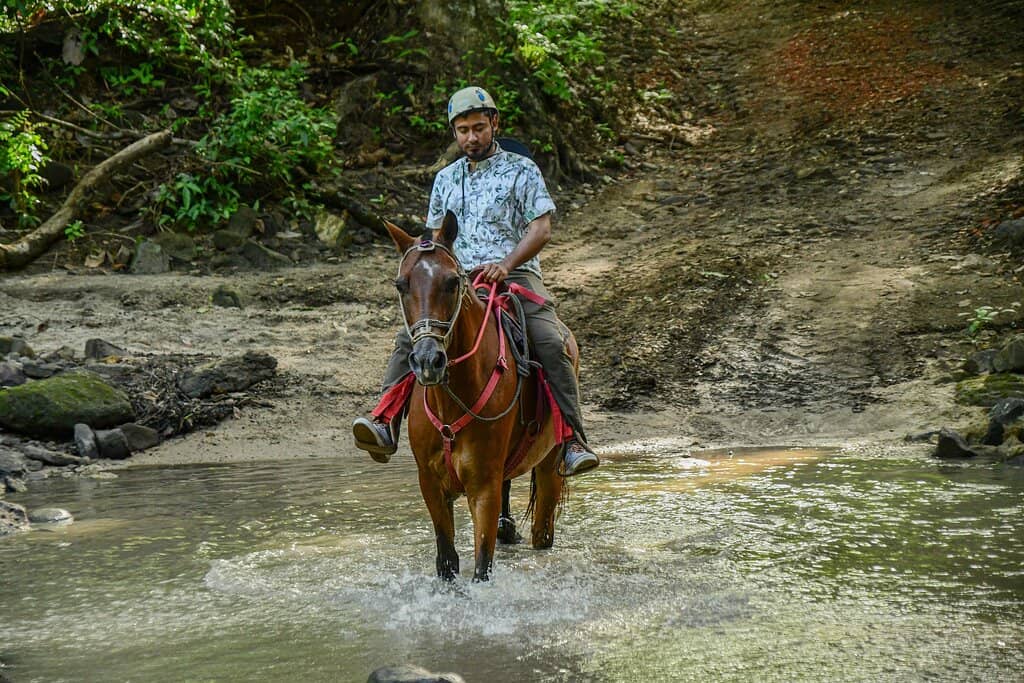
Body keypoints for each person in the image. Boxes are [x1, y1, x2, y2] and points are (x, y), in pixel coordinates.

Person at [352, 86, 599, 477]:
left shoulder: (522, 170)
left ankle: (571, 439)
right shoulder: (445, 179)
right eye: (463, 130)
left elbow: (541, 230)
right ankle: (385, 422)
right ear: (454, 132)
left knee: (551, 341)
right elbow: (435, 239)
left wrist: (506, 263)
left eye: (479, 128)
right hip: (456, 279)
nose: (472, 137)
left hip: (515, 274)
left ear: (494, 124)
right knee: (412, 336)